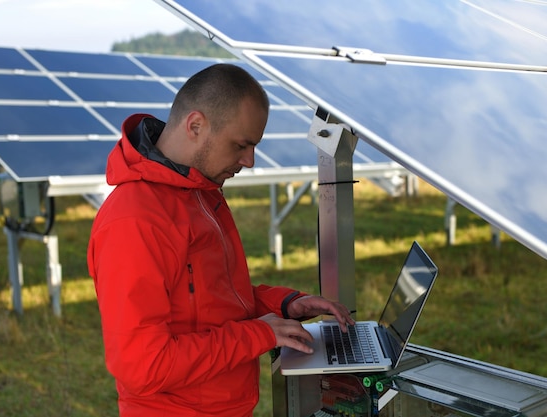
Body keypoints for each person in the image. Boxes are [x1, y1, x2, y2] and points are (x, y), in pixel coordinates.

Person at [87, 63, 355, 417]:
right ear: (195, 125)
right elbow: (144, 366)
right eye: (241, 145)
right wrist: (260, 334)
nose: (250, 161)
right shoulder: (135, 221)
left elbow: (216, 300)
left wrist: (287, 305)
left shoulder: (200, 191)